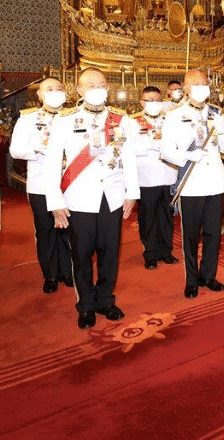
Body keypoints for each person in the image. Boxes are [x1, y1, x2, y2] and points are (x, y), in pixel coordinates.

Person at [44, 68, 139, 329]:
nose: (97, 87)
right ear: (80, 90)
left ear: (107, 89)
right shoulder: (64, 121)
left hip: (113, 197)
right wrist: (54, 201)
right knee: (82, 255)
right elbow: (52, 164)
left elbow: (129, 158)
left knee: (110, 254)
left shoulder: (122, 120)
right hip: (78, 198)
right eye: (91, 84)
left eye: (102, 83)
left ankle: (106, 299)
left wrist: (132, 192)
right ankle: (85, 304)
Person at [161, 69, 224, 299]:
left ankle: (208, 276)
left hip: (215, 182)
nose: (201, 86)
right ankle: (191, 280)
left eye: (204, 82)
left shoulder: (216, 113)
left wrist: (221, 130)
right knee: (190, 235)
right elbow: (166, 151)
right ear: (186, 87)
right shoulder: (174, 115)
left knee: (213, 233)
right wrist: (186, 157)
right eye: (196, 83)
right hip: (191, 183)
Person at [9, 77, 73, 294]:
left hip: (70, 182)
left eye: (59, 88)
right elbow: (16, 150)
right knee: (46, 231)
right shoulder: (28, 119)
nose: (55, 92)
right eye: (49, 89)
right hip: (41, 185)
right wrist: (39, 147)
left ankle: (68, 271)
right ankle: (50, 274)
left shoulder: (74, 117)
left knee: (69, 230)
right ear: (39, 95)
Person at [132, 86, 179, 270]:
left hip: (167, 174)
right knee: (148, 217)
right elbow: (129, 149)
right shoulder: (133, 122)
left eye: (157, 100)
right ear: (142, 102)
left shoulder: (169, 119)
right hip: (146, 177)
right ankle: (150, 254)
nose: (154, 104)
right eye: (149, 100)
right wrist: (151, 145)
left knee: (166, 216)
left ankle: (166, 251)